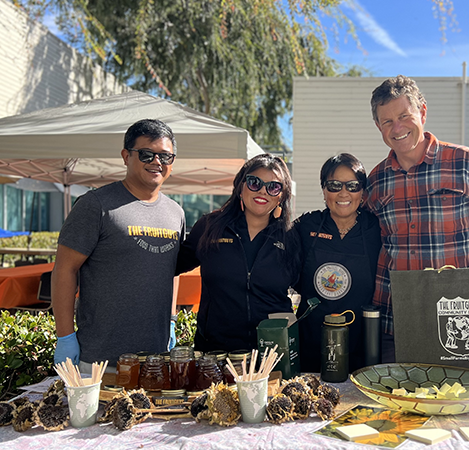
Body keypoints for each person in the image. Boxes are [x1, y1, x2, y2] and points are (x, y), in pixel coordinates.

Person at [365, 75, 469, 362]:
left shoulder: (465, 164)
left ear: (422, 112)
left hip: (461, 322)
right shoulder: (376, 181)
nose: (397, 127)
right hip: (396, 321)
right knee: (396, 404)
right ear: (378, 126)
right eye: (387, 121)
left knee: (463, 404)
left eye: (404, 116)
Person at [53, 119, 185, 371]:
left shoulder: (176, 212)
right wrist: (65, 337)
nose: (157, 162)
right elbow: (64, 269)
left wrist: (171, 320)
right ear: (126, 156)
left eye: (165, 157)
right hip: (99, 360)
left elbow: (173, 270)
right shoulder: (95, 205)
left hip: (155, 360)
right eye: (147, 154)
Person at [176, 153, 300, 352]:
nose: (262, 191)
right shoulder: (209, 227)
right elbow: (167, 266)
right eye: (254, 182)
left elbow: (310, 286)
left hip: (273, 353)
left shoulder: (291, 237)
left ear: (282, 196)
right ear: (241, 187)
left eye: (273, 187)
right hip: (216, 353)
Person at [294, 153, 381, 373]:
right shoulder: (306, 225)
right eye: (334, 185)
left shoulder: (376, 228)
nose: (343, 193)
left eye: (352, 186)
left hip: (362, 342)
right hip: (312, 339)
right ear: (324, 190)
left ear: (362, 192)